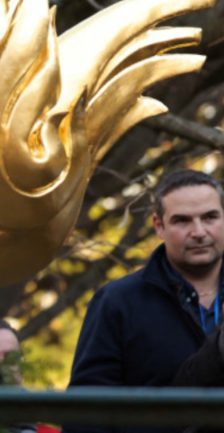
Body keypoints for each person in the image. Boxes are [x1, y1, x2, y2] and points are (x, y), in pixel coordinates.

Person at [68, 169, 224, 432]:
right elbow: (87, 415)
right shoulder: (117, 302)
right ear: (158, 226)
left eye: (210, 217)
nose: (198, 232)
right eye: (182, 221)